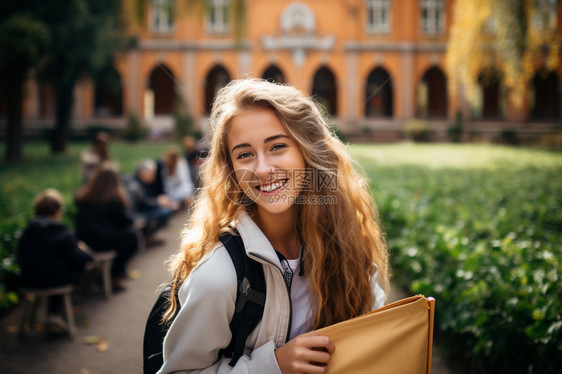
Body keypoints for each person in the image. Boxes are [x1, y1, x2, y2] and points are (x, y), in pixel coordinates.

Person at [157, 79, 390, 374]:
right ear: (231, 170)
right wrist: (273, 365)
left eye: (277, 146)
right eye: (244, 154)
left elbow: (373, 336)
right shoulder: (218, 276)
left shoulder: (348, 245)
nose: (263, 169)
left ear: (308, 151)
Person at [17, 188, 93, 330]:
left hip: (27, 280)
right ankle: (54, 313)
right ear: (57, 211)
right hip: (55, 281)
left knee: (50, 266)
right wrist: (85, 250)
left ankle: (40, 313)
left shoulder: (27, 231)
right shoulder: (62, 232)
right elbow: (81, 258)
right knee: (74, 267)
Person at [75, 162, 139, 291]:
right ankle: (114, 276)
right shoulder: (115, 200)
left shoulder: (83, 197)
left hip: (85, 240)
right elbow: (126, 222)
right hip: (107, 241)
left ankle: (108, 275)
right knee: (132, 240)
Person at [125, 159, 177, 242]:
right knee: (165, 212)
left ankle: (147, 236)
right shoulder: (134, 186)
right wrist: (159, 202)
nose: (153, 177)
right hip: (134, 215)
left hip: (137, 211)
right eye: (151, 175)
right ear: (143, 173)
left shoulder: (138, 181)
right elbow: (144, 203)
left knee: (164, 209)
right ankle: (147, 237)